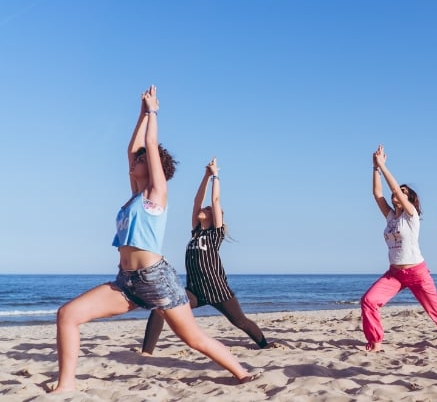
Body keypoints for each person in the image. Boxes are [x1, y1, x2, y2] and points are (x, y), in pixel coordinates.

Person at [52, 86, 252, 393]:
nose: (135, 163)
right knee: (67, 315)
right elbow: (132, 149)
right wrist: (141, 113)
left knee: (193, 338)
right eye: (137, 162)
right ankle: (65, 387)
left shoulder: (155, 194)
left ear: (155, 165)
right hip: (127, 281)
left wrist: (153, 112)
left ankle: (242, 373)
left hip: (157, 279)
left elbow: (149, 144)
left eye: (142, 161)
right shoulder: (135, 194)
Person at [141, 157, 274, 355]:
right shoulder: (195, 232)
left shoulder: (215, 234)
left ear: (214, 217)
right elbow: (197, 200)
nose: (203, 209)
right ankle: (146, 352)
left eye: (208, 209)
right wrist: (205, 176)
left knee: (240, 321)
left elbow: (216, 200)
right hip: (194, 291)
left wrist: (216, 176)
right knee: (161, 306)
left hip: (217, 289)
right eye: (203, 209)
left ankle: (264, 344)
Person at [360, 145, 437, 352]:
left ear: (409, 199)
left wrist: (384, 166)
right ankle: (376, 341)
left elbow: (392, 191)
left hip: (417, 272)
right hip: (395, 273)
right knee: (368, 300)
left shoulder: (411, 216)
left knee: (436, 311)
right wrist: (375, 168)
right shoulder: (391, 216)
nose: (398, 193)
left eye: (403, 192)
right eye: (398, 191)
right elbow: (377, 193)